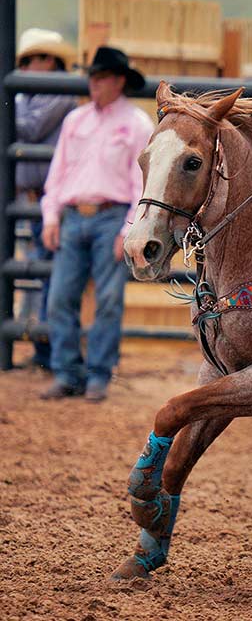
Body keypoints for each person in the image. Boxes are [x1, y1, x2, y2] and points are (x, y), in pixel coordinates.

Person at [39, 47, 153, 402]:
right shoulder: (76, 120)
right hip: (75, 214)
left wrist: (128, 227)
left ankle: (97, 374)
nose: (94, 84)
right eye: (92, 78)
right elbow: (58, 172)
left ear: (119, 81)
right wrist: (51, 215)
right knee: (61, 297)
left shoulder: (137, 124)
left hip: (111, 216)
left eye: (101, 78)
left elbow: (141, 183)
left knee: (107, 299)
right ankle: (68, 372)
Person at [14, 29, 78, 370]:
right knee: (41, 274)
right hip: (30, 198)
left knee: (51, 275)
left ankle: (51, 353)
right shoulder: (28, 95)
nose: (26, 66)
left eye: (32, 59)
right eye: (24, 61)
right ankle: (44, 351)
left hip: (48, 199)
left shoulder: (59, 94)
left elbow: (31, 128)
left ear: (49, 61)